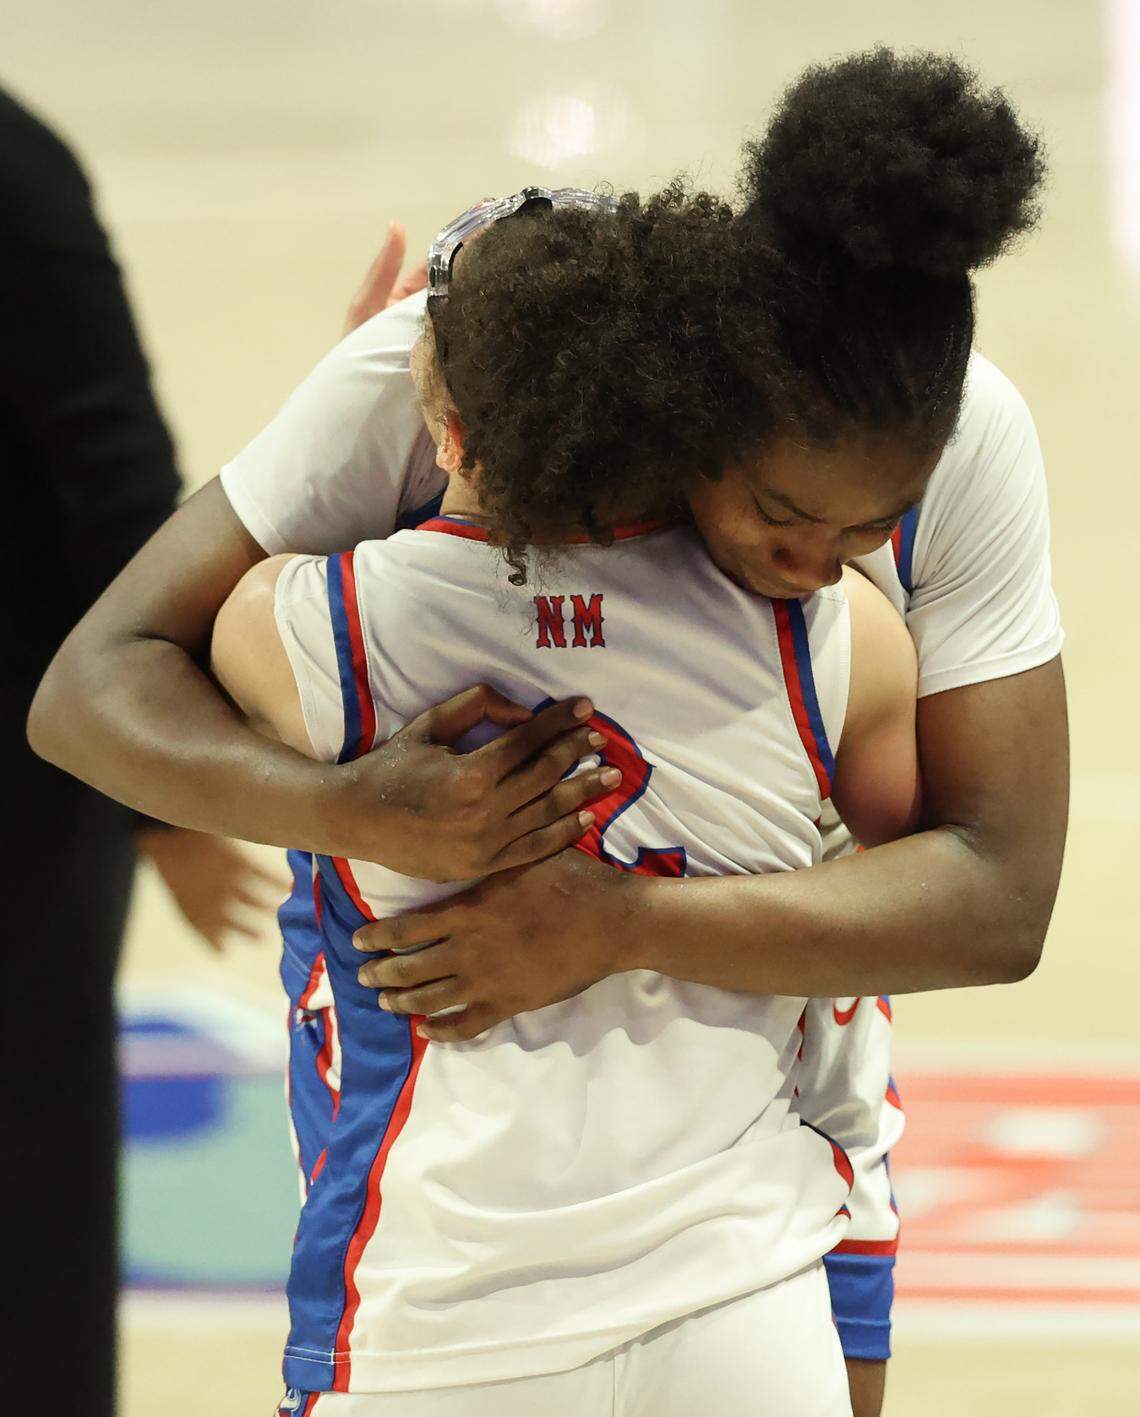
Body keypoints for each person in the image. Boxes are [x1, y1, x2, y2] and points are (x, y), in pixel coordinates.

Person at [28, 49, 1067, 1417]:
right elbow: (93, 687)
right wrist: (355, 810)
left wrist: (618, 919)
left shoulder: (964, 442)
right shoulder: (437, 369)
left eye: (869, 532)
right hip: (647, 1256)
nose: (821, 562)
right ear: (703, 404)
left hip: (763, 1140)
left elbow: (995, 897)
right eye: (776, 512)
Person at [211, 179, 920, 1417]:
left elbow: (139, 668)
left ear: (446, 427)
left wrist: (344, 411)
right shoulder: (829, 636)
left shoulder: (316, 627)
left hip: (443, 1324)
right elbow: (906, 926)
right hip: (744, 1308)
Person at [0, 86, 281, 1416]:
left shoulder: (13, 171)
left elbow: (120, 486)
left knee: (29, 1169)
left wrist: (162, 804)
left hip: (25, 778)